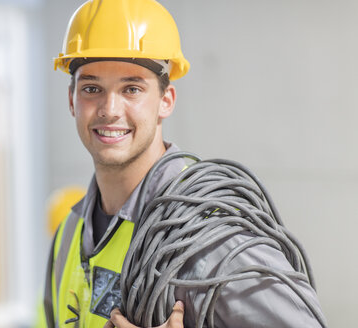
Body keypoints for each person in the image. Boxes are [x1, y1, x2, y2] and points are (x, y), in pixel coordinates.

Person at [43, 0, 327, 327]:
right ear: (71, 100)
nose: (110, 109)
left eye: (131, 89)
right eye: (92, 88)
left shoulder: (210, 239)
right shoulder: (68, 234)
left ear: (166, 101)